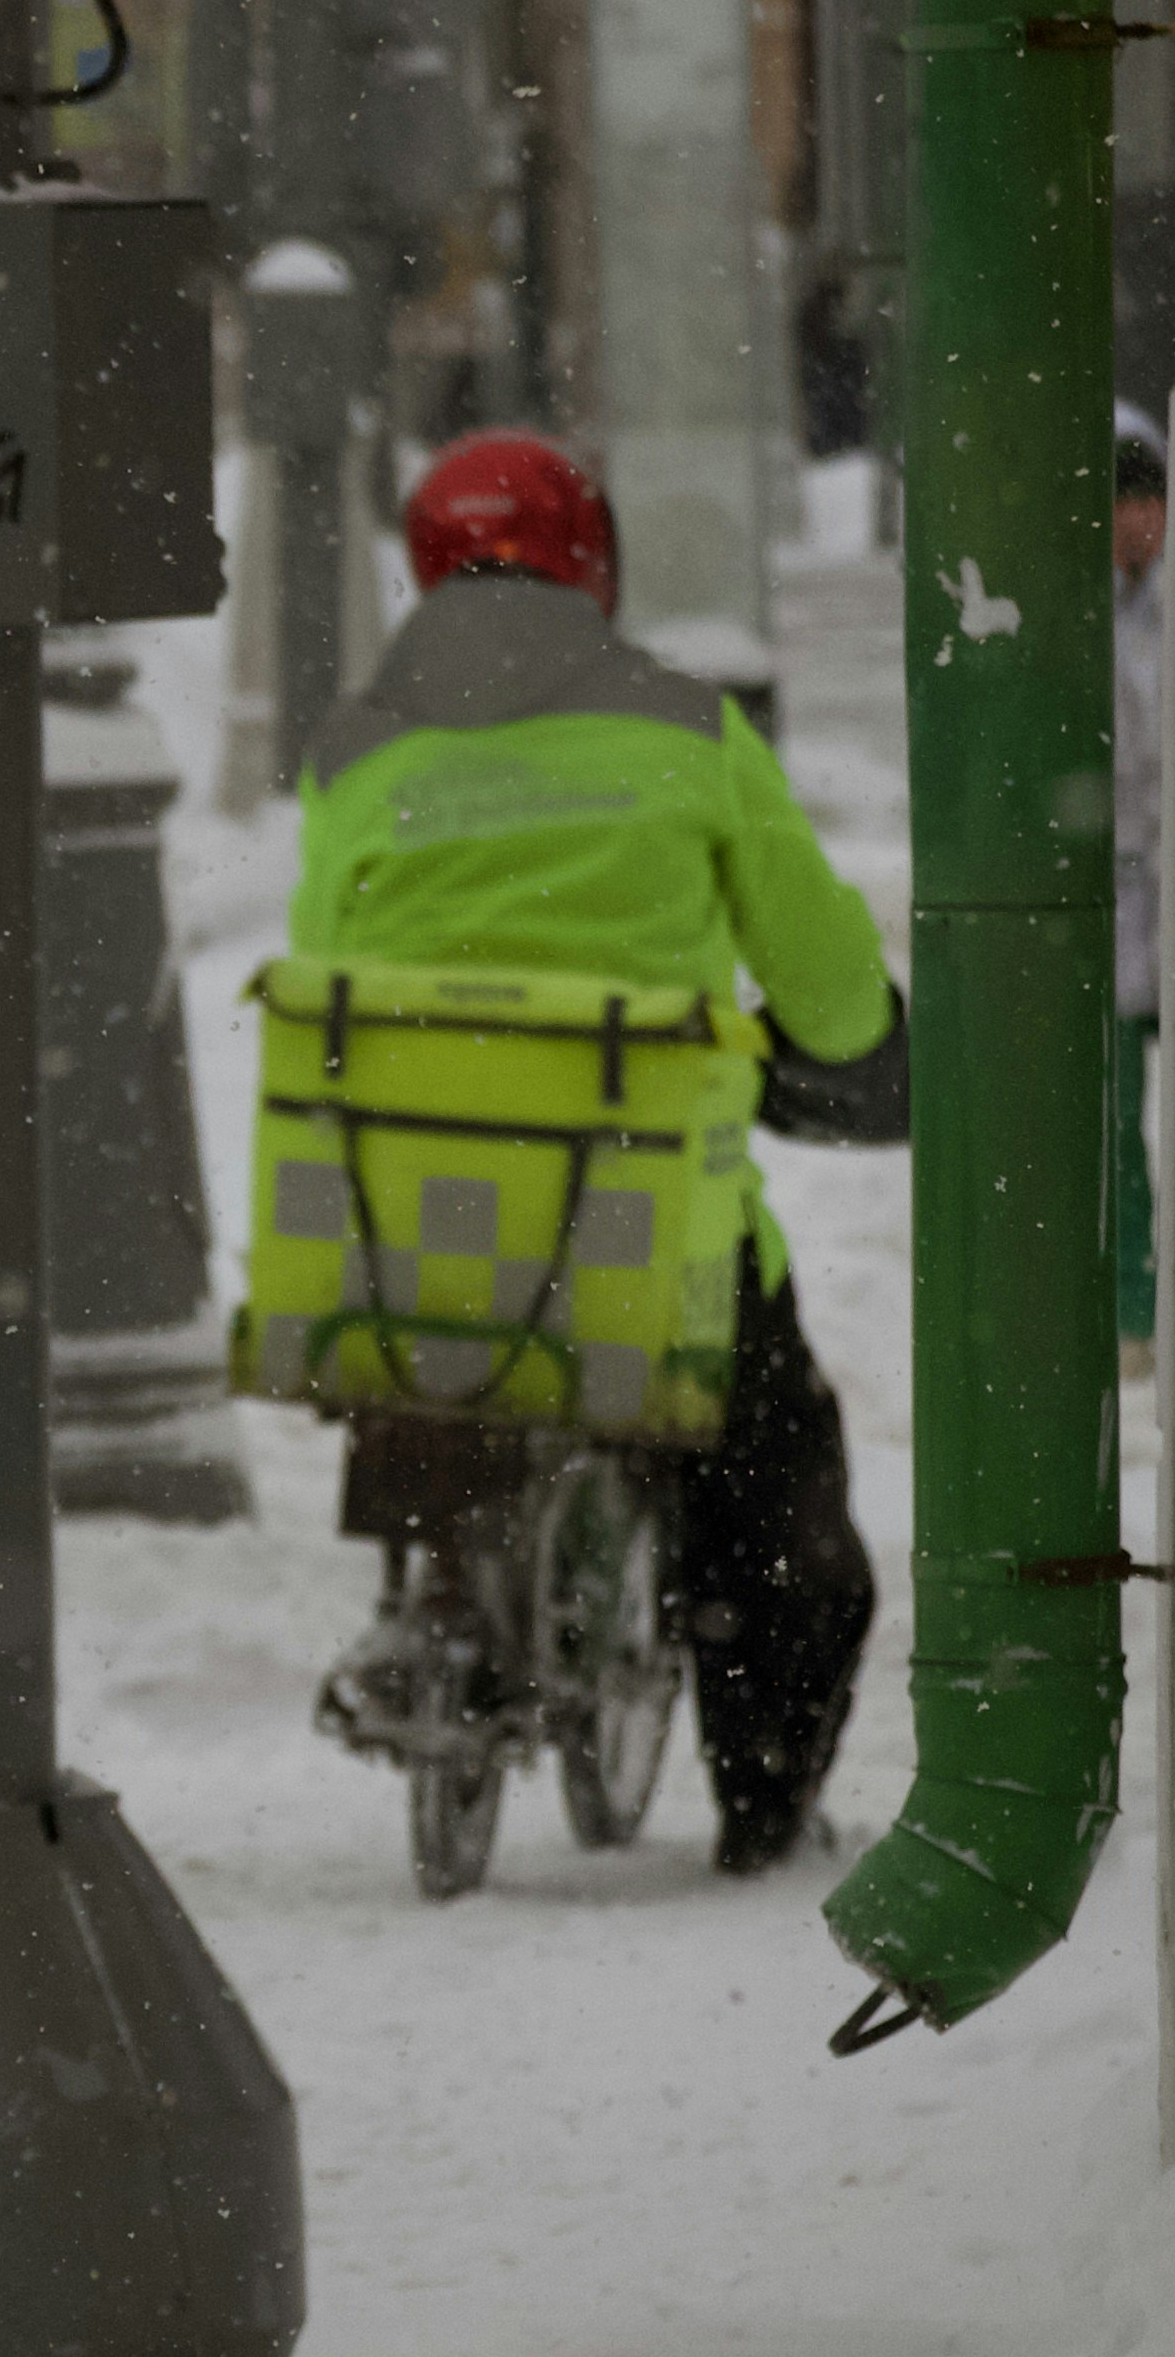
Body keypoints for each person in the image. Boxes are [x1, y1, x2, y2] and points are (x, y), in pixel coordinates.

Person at [292, 431, 900, 1874]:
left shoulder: (352, 751)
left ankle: (437, 1590)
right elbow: (827, 987)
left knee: (434, 1316)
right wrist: (841, 1037)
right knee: (773, 1496)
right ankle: (761, 1800)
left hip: (417, 1236)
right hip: (645, 1235)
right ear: (593, 569)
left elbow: (328, 972)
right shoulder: (688, 730)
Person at [1118, 410, 1165, 1367]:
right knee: (1113, 1128)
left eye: (1149, 499)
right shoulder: (1076, 610)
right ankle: (1129, 1308)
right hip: (1116, 885)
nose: (1138, 521)